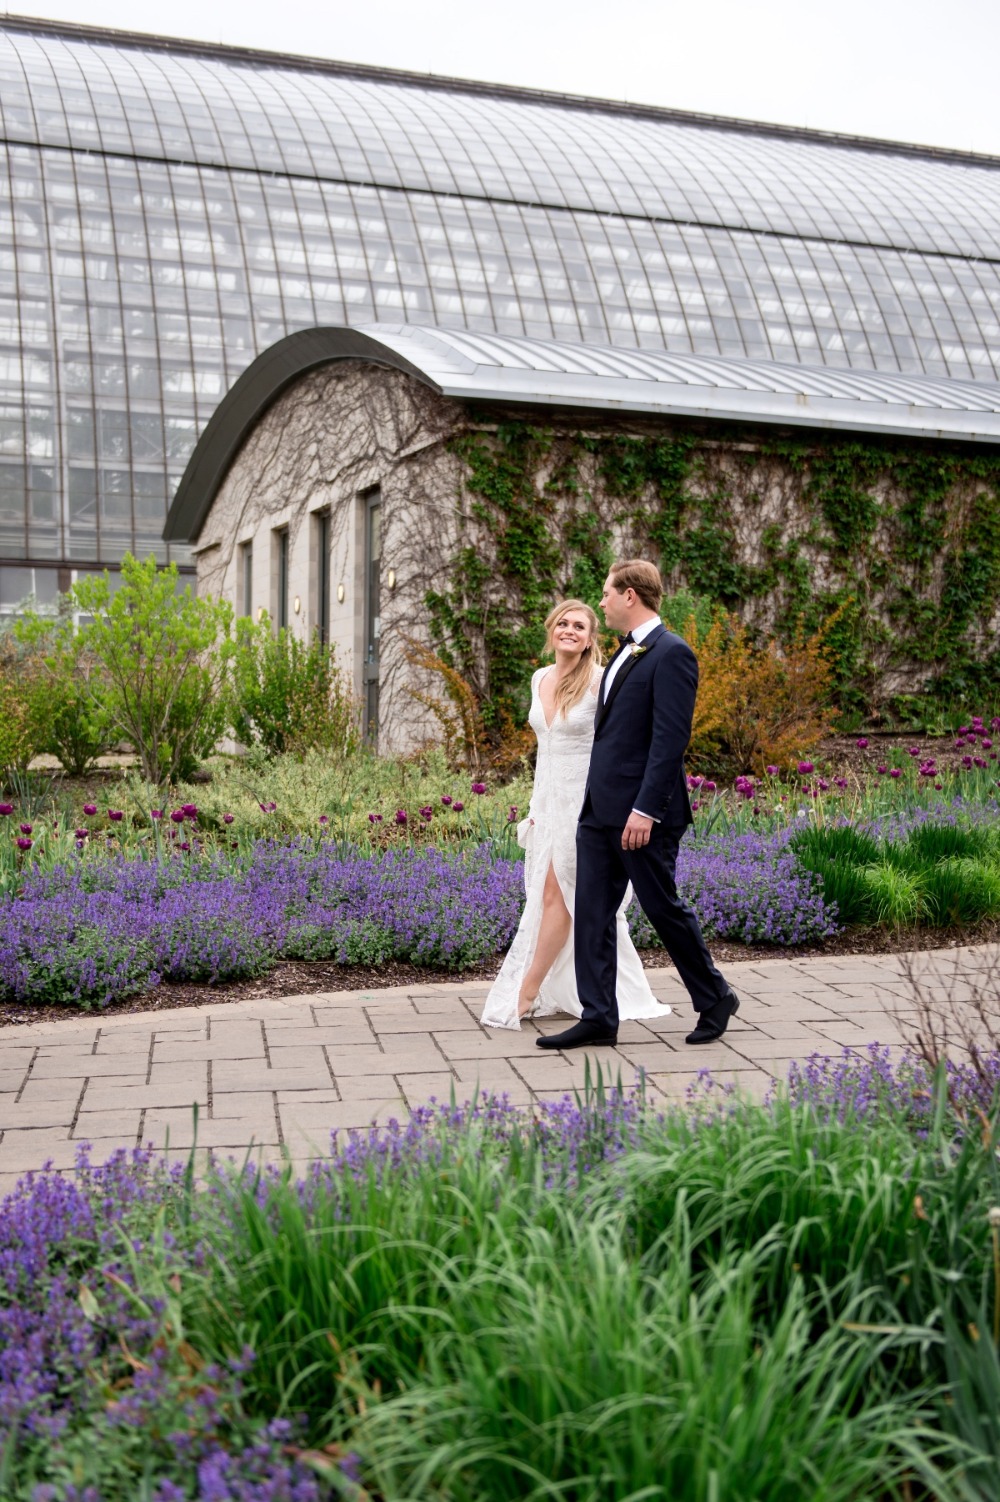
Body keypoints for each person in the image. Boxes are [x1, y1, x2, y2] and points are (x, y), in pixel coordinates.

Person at [537, 560, 741, 1052]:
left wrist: (645, 810)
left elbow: (670, 741)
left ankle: (715, 996)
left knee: (661, 907)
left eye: (607, 594)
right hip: (599, 811)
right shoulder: (621, 656)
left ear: (630, 596)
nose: (601, 601)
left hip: (642, 817)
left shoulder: (672, 654)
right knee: (591, 913)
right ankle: (599, 1017)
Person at [480, 598, 670, 1031]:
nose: (570, 630)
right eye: (563, 623)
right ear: (552, 630)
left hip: (585, 804)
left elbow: (625, 743)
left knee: (558, 895)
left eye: (580, 626)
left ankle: (527, 992)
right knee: (548, 896)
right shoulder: (539, 678)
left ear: (589, 640)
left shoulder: (600, 683)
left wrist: (633, 803)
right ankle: (575, 988)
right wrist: (533, 810)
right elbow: (544, 752)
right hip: (547, 802)